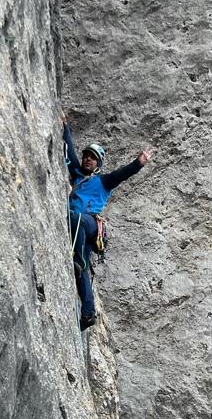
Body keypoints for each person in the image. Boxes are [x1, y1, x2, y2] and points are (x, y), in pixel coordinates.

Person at [63, 111, 152, 330]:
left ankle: (80, 260)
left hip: (90, 224)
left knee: (77, 218)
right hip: (80, 229)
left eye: (92, 158)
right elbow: (69, 152)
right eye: (87, 156)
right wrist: (65, 127)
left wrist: (138, 163)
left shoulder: (103, 181)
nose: (87, 159)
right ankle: (88, 313)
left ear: (98, 164)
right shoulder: (77, 174)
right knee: (82, 269)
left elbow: (122, 174)